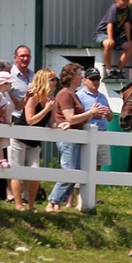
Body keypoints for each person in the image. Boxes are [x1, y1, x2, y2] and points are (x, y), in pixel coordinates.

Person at [49, 63, 107, 212]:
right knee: (69, 172)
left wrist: (93, 115)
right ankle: (53, 202)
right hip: (68, 138)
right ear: (71, 77)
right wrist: (91, 113)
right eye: (78, 74)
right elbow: (70, 118)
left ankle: (56, 204)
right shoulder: (65, 94)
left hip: (75, 137)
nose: (81, 77)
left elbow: (76, 119)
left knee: (74, 173)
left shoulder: (73, 94)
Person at [11, 68, 59, 211]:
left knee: (35, 172)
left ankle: (31, 205)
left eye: (55, 79)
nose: (55, 82)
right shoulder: (33, 97)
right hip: (20, 137)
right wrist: (45, 109)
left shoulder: (52, 100)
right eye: (51, 79)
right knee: (17, 172)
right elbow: (31, 120)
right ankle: (19, 204)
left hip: (34, 141)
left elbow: (51, 122)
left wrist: (61, 125)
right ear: (43, 80)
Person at [94, 0, 132, 72]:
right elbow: (110, 24)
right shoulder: (114, 8)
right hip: (102, 33)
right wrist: (110, 39)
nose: (126, 2)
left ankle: (119, 69)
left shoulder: (127, 9)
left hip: (115, 35)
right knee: (108, 44)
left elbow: (127, 24)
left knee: (131, 46)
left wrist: (129, 40)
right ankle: (109, 69)